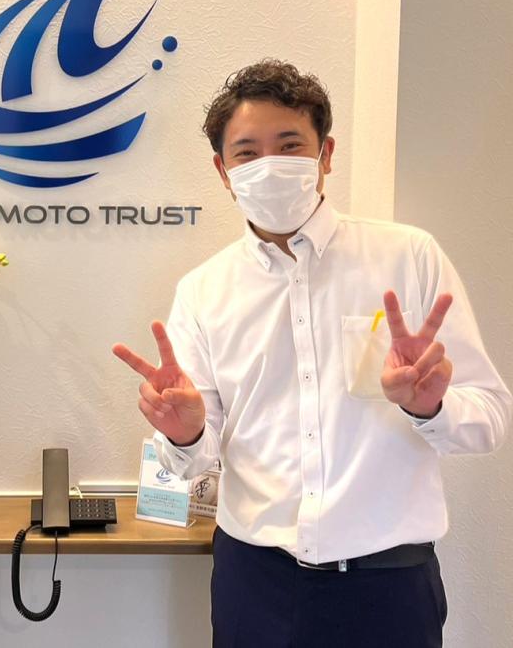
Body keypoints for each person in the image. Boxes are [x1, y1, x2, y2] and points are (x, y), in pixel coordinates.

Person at [112, 60, 511, 648]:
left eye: (290, 145)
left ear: (326, 154)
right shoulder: (203, 290)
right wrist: (187, 434)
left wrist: (430, 408)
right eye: (247, 153)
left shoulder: (408, 258)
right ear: (223, 171)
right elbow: (190, 464)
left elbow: (490, 420)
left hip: (389, 586)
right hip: (256, 583)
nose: (269, 164)